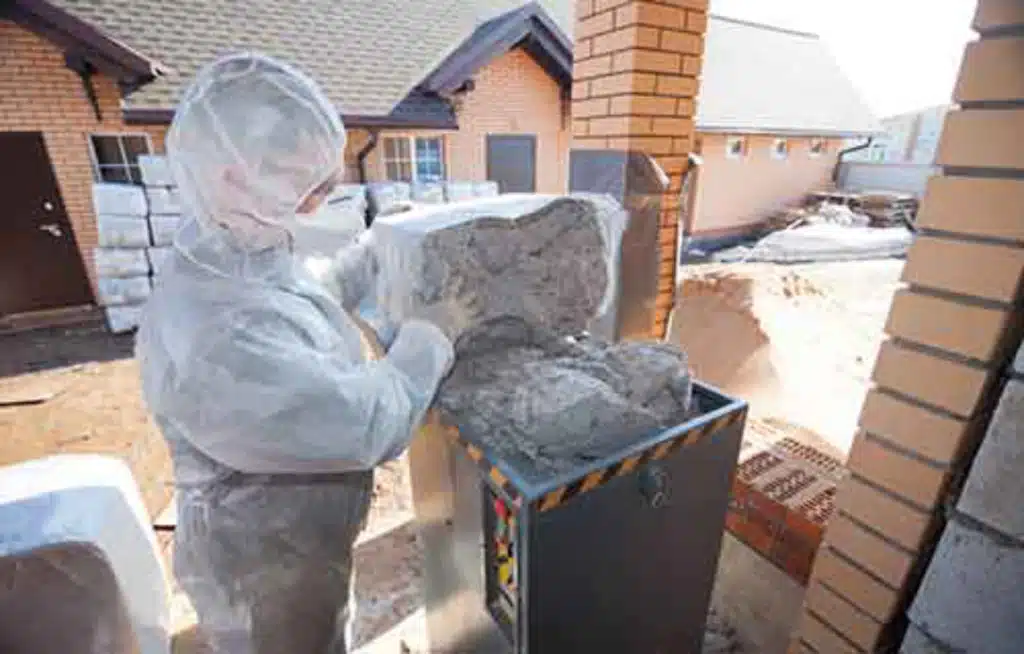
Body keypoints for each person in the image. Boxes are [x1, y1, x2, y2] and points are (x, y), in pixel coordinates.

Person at [135, 53, 454, 653]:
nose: (321, 201)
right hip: (262, 566)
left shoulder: (232, 254)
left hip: (297, 543)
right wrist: (429, 341)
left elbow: (306, 298)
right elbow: (357, 423)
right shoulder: (215, 334)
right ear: (234, 177)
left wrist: (374, 251)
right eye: (307, 189)